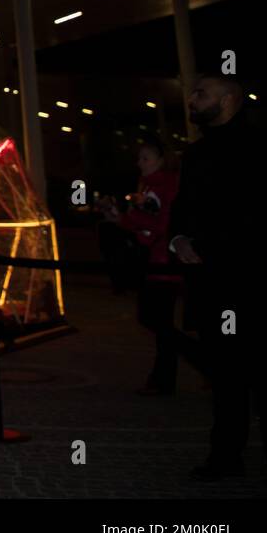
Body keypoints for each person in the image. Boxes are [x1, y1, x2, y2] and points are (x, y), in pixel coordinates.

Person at [165, 73, 267, 487]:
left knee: (266, 374)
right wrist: (178, 239)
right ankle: (226, 455)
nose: (192, 100)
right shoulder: (194, 154)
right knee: (225, 374)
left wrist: (217, 246)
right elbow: (183, 208)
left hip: (250, 282)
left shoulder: (263, 147)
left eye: (201, 93)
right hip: (209, 283)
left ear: (229, 99)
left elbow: (263, 215)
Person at [98, 139, 181, 394]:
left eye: (145, 158)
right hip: (152, 258)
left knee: (158, 320)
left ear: (159, 159)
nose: (140, 163)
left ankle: (166, 376)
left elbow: (163, 223)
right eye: (140, 158)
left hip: (164, 261)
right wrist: (120, 218)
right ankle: (164, 376)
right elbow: (143, 223)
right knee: (155, 319)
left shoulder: (166, 184)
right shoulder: (147, 185)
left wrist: (128, 219)